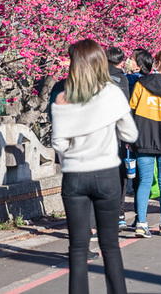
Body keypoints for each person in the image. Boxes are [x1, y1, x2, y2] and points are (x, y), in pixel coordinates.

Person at [52, 39, 137, 294]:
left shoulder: (63, 98)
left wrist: (76, 152)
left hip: (74, 177)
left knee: (78, 248)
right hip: (106, 173)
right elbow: (130, 134)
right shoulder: (111, 93)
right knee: (110, 245)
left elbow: (58, 143)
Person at [129, 49, 161, 238]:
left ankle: (141, 222)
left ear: (156, 63)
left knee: (145, 181)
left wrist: (129, 138)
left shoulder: (141, 83)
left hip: (143, 137)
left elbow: (131, 110)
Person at [105, 46, 132, 228]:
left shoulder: (95, 76)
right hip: (117, 134)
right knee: (120, 174)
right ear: (121, 61)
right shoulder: (121, 78)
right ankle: (119, 213)